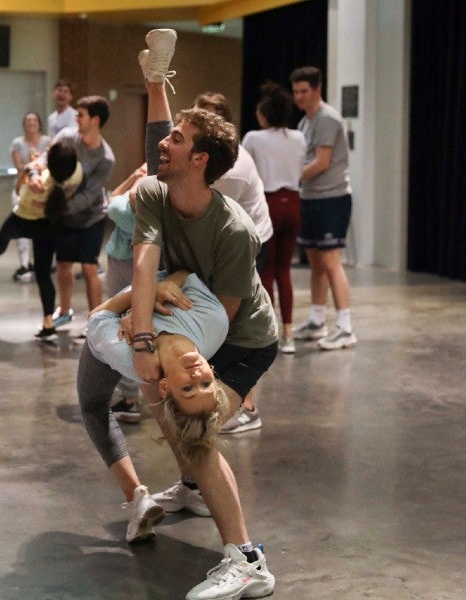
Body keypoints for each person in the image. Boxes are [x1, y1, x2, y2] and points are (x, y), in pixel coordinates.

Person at [133, 29, 278, 600]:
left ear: (199, 160)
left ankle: (247, 561)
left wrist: (178, 369)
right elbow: (145, 265)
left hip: (241, 337)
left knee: (193, 426)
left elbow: (223, 319)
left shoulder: (234, 232)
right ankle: (193, 485)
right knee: (164, 402)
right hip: (191, 314)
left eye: (176, 139)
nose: (162, 146)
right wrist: (143, 337)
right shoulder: (155, 192)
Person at [78, 269, 231, 539]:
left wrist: (138, 301)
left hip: (108, 343)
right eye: (206, 384)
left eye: (187, 388)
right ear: (213, 372)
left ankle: (136, 497)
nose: (196, 376)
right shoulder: (214, 322)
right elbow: (186, 273)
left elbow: (95, 319)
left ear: (164, 386)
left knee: (93, 407)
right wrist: (160, 287)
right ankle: (191, 487)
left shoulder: (125, 354)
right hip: (152, 273)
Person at [192, 91, 272, 435]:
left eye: (209, 119)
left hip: (250, 240)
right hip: (227, 244)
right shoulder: (208, 162)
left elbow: (225, 224)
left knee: (237, 326)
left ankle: (247, 407)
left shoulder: (231, 170)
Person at [0, 141, 83, 339]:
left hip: (24, 219)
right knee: (42, 274)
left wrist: (30, 172)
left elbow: (18, 191)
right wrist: (36, 168)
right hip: (49, 224)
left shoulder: (39, 184)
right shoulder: (75, 174)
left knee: (3, 237)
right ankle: (48, 322)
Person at [32, 95, 115, 333]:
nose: (76, 118)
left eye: (81, 115)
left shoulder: (105, 158)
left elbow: (89, 195)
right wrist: (35, 173)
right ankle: (64, 311)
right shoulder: (68, 137)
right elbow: (47, 158)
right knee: (64, 264)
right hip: (65, 216)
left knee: (89, 267)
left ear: (95, 120)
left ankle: (96, 320)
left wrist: (55, 208)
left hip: (91, 217)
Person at [290, 66, 357, 350]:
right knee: (315, 261)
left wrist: (288, 177)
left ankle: (345, 326)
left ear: (317, 89)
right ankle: (318, 321)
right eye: (295, 92)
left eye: (304, 91)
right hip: (311, 198)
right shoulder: (305, 123)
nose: (299, 97)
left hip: (332, 199)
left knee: (331, 261)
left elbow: (321, 162)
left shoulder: (327, 119)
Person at [242, 82, 307, 354]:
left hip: (267, 204)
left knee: (265, 271)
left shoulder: (254, 139)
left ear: (264, 114)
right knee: (284, 271)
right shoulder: (299, 138)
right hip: (293, 203)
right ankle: (290, 332)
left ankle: (269, 333)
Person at [103, 162, 149, 423]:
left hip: (122, 265)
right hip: (151, 268)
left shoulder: (124, 209)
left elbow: (112, 200)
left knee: (122, 328)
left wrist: (133, 178)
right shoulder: (160, 210)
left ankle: (130, 398)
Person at [9, 112, 52, 283]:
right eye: (28, 120)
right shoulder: (17, 143)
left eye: (34, 120)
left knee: (42, 227)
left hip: (43, 188)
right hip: (23, 187)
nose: (31, 123)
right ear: (23, 125)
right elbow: (20, 166)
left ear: (39, 123)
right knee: (21, 226)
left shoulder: (48, 142)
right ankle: (24, 264)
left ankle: (42, 263)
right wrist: (31, 163)